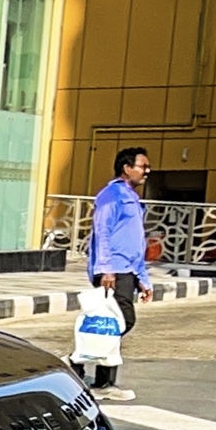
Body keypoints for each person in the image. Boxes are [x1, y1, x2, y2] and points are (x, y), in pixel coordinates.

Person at [85, 146, 149, 401]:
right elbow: (102, 231)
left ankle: (103, 380)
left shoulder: (131, 196)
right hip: (114, 270)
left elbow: (136, 241)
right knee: (120, 322)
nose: (147, 171)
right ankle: (82, 358)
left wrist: (143, 277)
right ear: (127, 168)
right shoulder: (111, 195)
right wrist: (105, 269)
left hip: (128, 269)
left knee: (113, 324)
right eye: (143, 166)